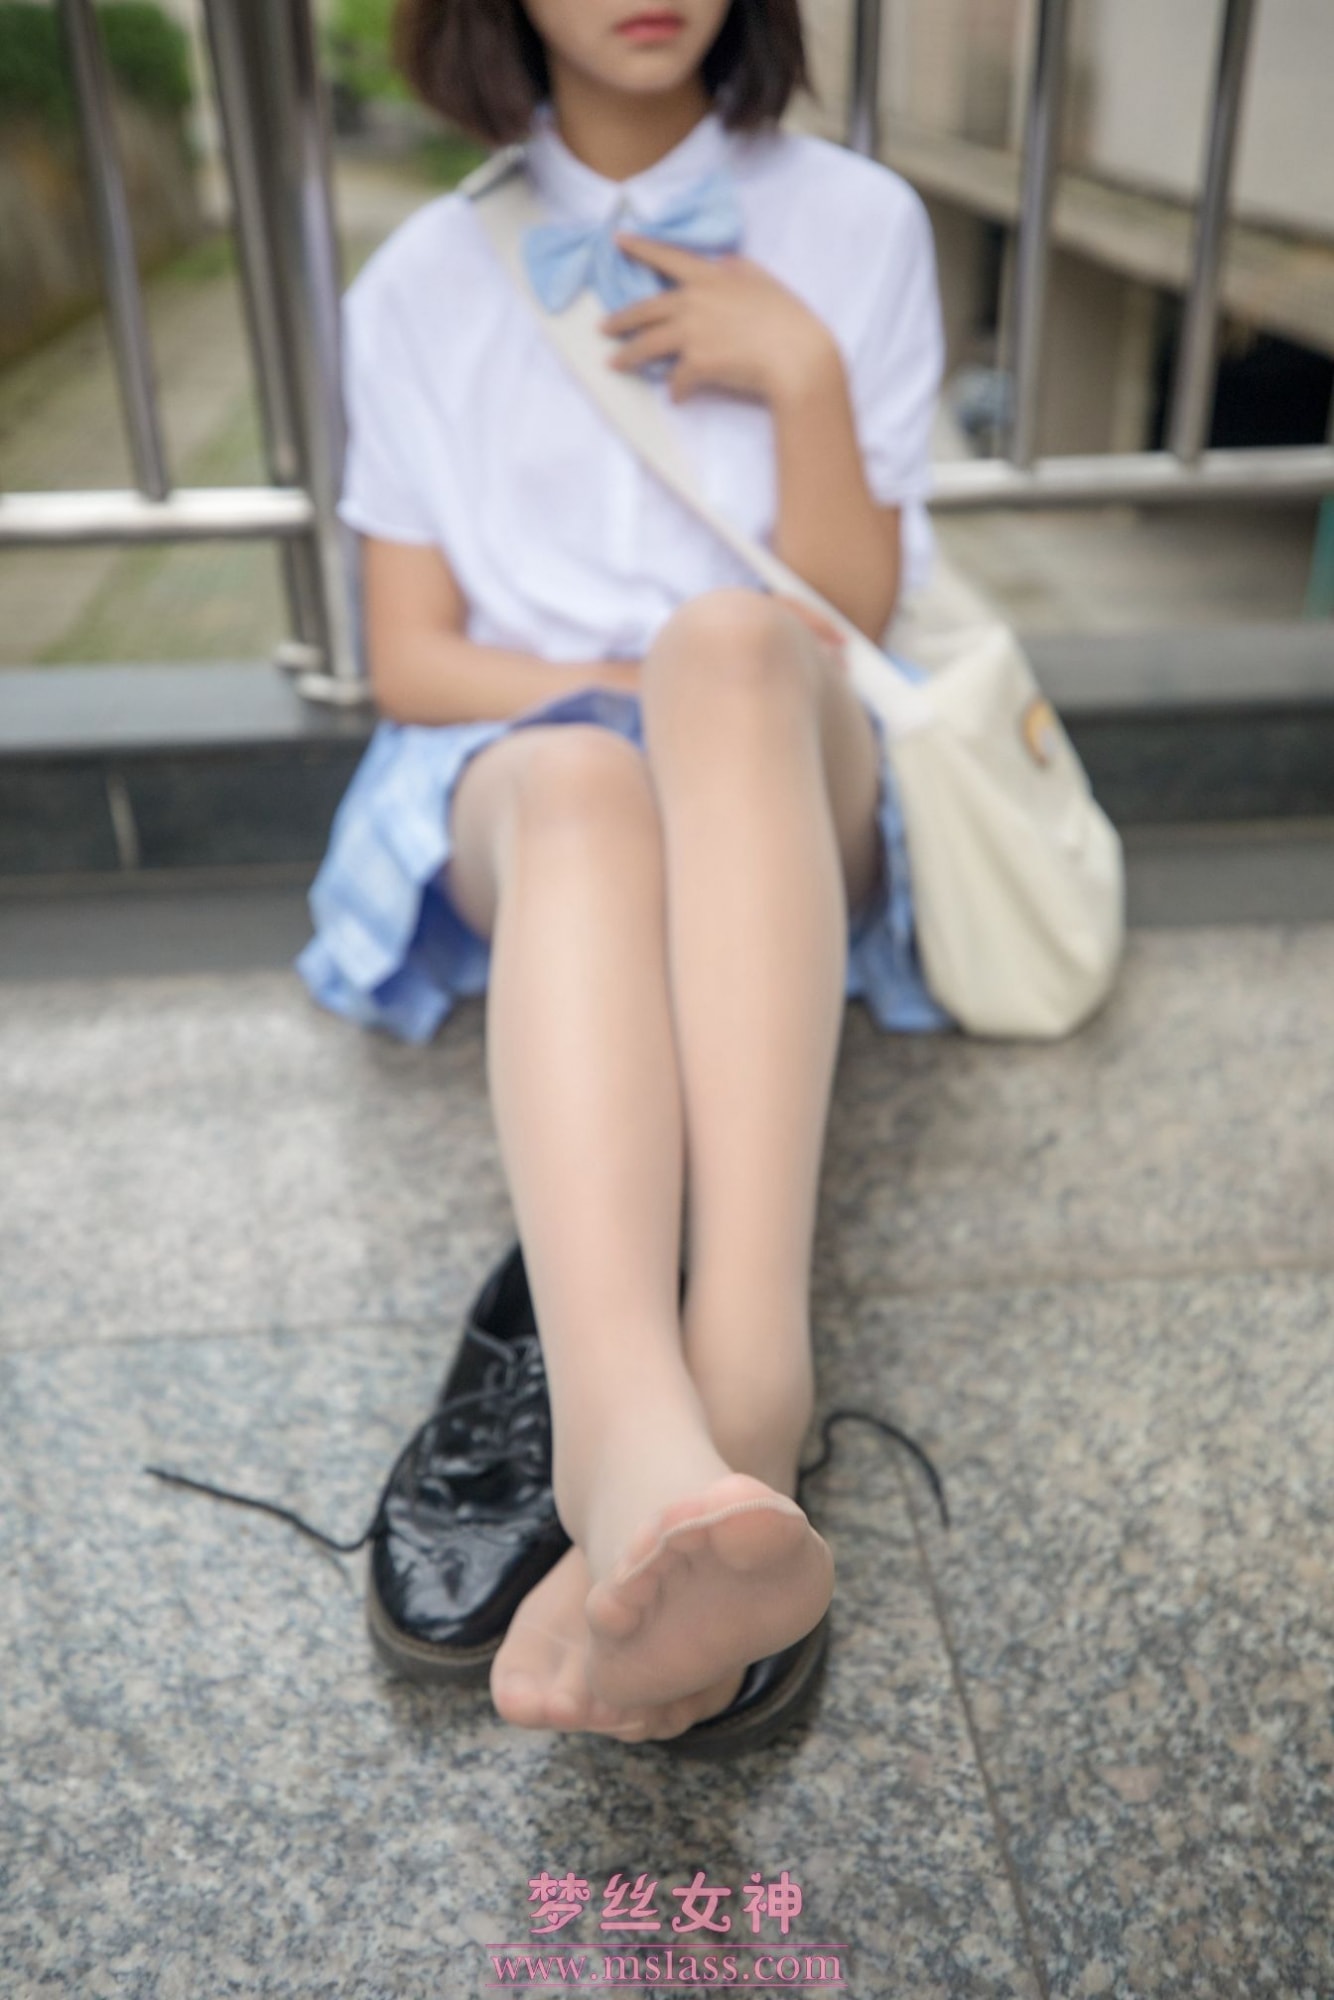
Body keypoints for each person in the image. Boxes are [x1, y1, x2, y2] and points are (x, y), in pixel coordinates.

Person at [295, 0, 954, 1746]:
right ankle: (636, 1448)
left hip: (777, 751)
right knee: (590, 780)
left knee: (726, 645)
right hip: (530, 766)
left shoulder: (858, 223)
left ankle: (741, 1377)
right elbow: (413, 657)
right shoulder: (418, 281)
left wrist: (799, 370)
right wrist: (611, 696)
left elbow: (848, 619)